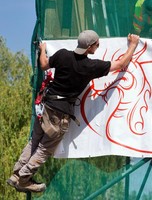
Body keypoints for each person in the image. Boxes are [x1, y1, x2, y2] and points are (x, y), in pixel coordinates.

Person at [6, 30, 140, 193]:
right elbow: (120, 65)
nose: (98, 47)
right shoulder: (89, 66)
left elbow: (43, 65)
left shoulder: (62, 55)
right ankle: (24, 179)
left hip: (46, 107)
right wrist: (133, 44)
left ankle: (16, 174)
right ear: (90, 47)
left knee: (34, 141)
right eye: (97, 44)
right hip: (59, 114)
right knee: (44, 149)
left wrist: (42, 49)